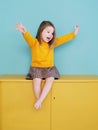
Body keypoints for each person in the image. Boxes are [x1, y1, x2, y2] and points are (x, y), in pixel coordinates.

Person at [16, 21, 79, 110]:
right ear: (41, 31)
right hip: (36, 68)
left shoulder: (52, 44)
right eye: (48, 32)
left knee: (50, 80)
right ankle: (38, 100)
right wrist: (23, 30)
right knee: (36, 81)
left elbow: (63, 39)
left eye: (52, 33)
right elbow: (28, 37)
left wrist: (74, 34)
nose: (51, 35)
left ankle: (40, 100)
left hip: (49, 68)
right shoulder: (34, 43)